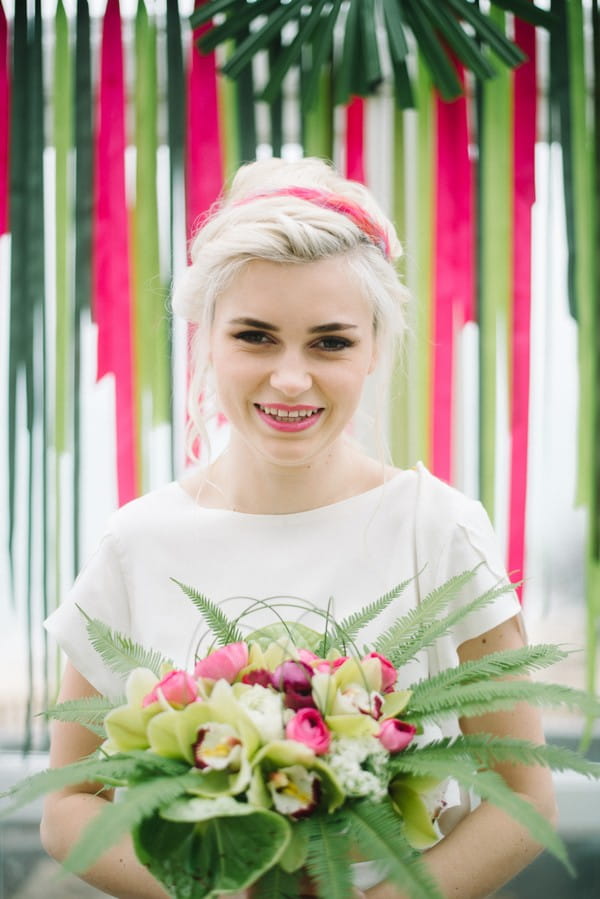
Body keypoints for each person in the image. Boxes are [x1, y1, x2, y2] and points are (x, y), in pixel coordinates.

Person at [40, 157, 556, 899]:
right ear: (205, 341)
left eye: (330, 341)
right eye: (255, 336)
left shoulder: (437, 529)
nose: (290, 377)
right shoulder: (136, 543)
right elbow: (65, 805)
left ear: (375, 346)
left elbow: (526, 799)